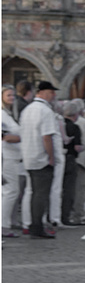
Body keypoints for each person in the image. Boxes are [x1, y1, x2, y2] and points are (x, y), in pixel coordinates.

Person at [20, 80, 61, 240]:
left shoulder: (27, 109)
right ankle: (37, 226)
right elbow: (47, 136)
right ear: (43, 92)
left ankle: (33, 224)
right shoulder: (45, 111)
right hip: (41, 157)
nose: (54, 95)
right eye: (51, 92)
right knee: (41, 194)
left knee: (34, 193)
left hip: (29, 156)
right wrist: (51, 157)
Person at [2, 86, 23, 237]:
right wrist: (27, 137)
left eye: (13, 95)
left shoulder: (9, 115)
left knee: (10, 192)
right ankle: (3, 225)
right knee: (11, 191)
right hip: (5, 157)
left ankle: (8, 221)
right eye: (8, 95)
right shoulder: (2, 115)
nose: (12, 97)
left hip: (13, 157)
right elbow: (5, 137)